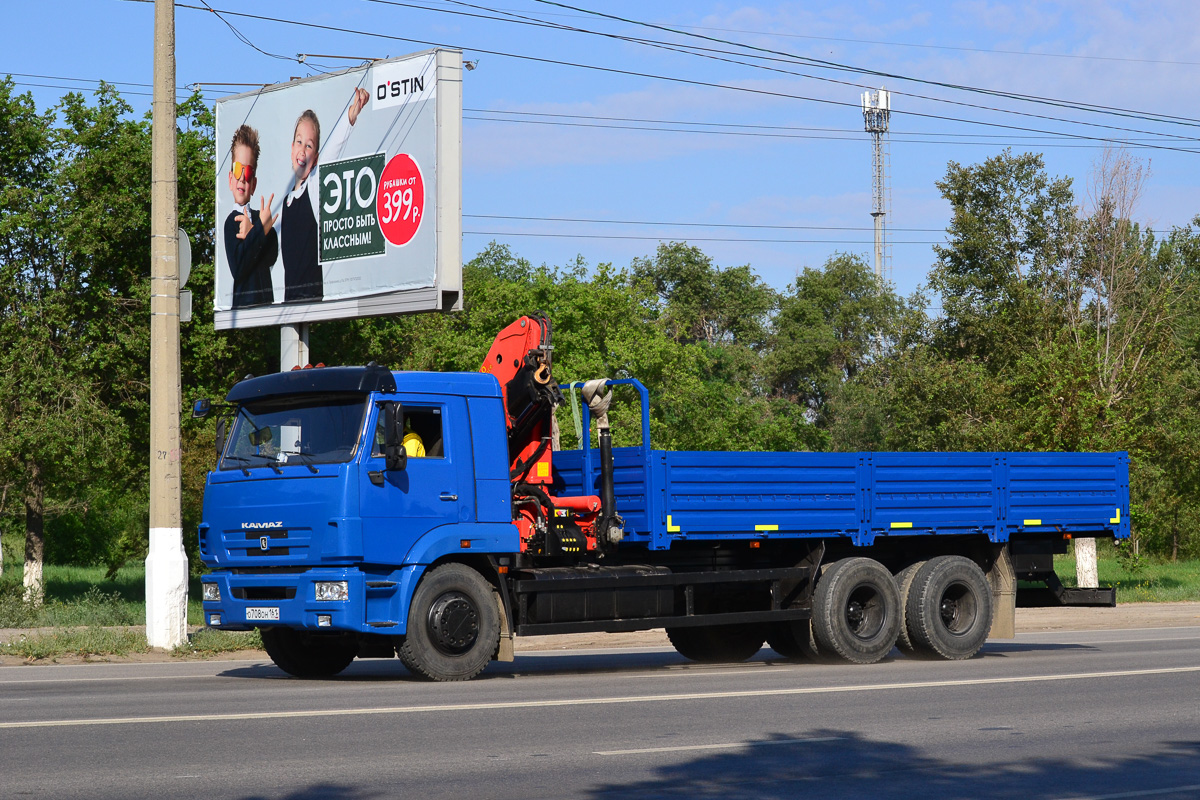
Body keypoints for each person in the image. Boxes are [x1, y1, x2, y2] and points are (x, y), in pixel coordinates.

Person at [279, 87, 369, 303]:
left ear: (316, 157)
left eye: (309, 146)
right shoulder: (286, 202)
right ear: (291, 148)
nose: (302, 150)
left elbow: (332, 151)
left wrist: (350, 117)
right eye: (299, 142)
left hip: (309, 300)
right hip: (289, 304)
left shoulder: (313, 188)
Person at [224, 125, 277, 308]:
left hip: (267, 310)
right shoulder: (231, 223)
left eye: (247, 173)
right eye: (238, 170)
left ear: (253, 184)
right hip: (243, 314)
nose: (242, 179)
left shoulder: (258, 217)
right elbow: (238, 268)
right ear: (230, 179)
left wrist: (255, 230)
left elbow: (272, 256)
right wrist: (259, 231)